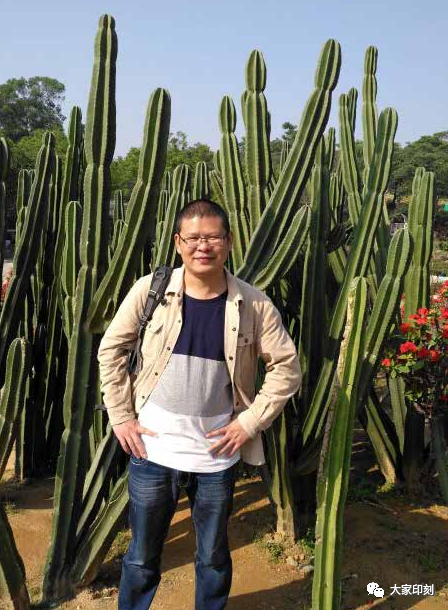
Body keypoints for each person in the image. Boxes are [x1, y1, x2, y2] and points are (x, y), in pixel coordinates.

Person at [98, 198, 301, 610]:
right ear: (178, 242)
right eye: (193, 238)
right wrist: (120, 416)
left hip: (216, 457)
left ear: (229, 241)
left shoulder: (254, 304)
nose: (202, 246)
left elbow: (286, 368)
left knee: (212, 557)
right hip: (151, 451)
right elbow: (111, 349)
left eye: (212, 237)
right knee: (140, 557)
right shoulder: (151, 291)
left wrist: (249, 423)